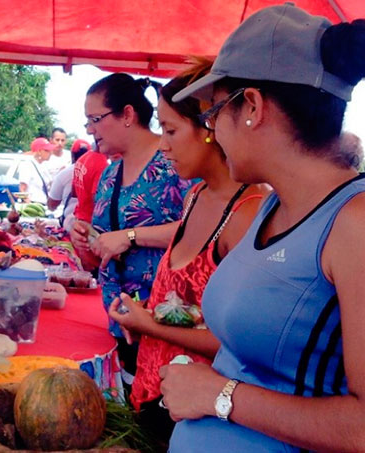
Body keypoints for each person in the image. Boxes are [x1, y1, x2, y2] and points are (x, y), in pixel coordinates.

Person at [156, 6, 365, 452]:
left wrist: (217, 395)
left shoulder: (354, 224)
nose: (212, 133)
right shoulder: (273, 203)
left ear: (251, 106)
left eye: (212, 115)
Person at [106, 59, 268, 446]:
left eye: (171, 130)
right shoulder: (194, 196)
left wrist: (151, 326)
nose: (163, 145)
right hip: (153, 395)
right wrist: (146, 312)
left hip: (197, 418)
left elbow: (238, 343)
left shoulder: (248, 214)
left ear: (211, 128)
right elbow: (185, 302)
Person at [69, 73, 192, 390]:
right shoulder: (110, 174)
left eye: (95, 119)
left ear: (127, 114)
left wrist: (131, 236)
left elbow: (201, 231)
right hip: (121, 321)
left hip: (167, 323)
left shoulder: (174, 162)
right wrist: (87, 238)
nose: (89, 130)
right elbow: (106, 242)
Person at [47, 139, 91, 231]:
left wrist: (127, 237)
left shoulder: (65, 173)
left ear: (72, 155)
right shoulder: (105, 172)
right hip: (95, 228)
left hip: (72, 224)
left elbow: (51, 205)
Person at [72, 142, 109, 230]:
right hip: (91, 223)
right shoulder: (102, 164)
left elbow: (73, 192)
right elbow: (97, 200)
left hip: (79, 218)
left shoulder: (82, 158)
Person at [20, 137, 55, 204]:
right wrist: (29, 205)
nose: (50, 153)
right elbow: (22, 189)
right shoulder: (27, 165)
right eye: (47, 150)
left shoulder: (43, 165)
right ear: (39, 151)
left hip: (44, 203)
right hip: (34, 203)